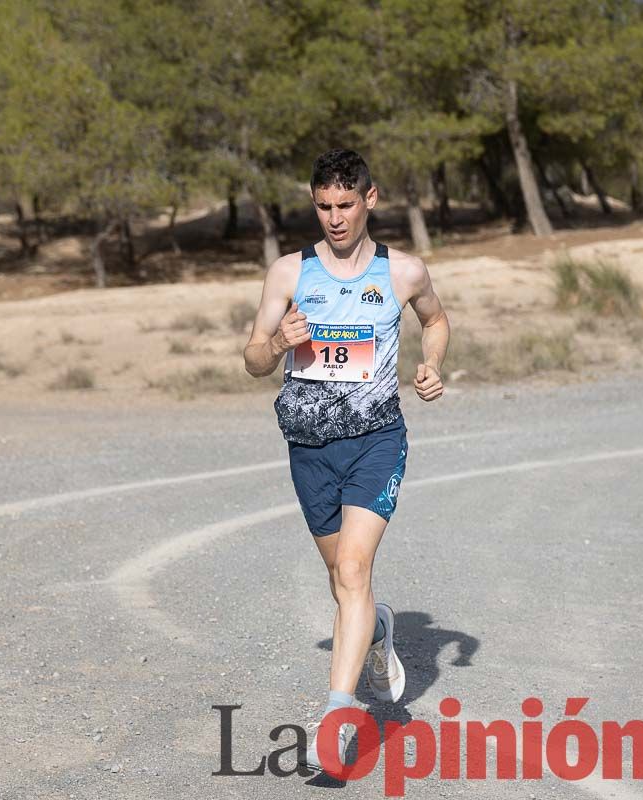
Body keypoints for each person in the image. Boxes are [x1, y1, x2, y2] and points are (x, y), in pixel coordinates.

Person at [243, 149, 450, 774]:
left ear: (370, 200)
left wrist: (431, 365)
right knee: (344, 579)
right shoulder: (287, 274)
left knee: (355, 570)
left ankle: (336, 716)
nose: (334, 218)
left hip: (376, 439)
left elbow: (436, 321)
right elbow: (253, 360)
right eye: (324, 207)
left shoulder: (404, 272)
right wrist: (278, 342)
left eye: (346, 205)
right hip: (309, 446)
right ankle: (378, 628)